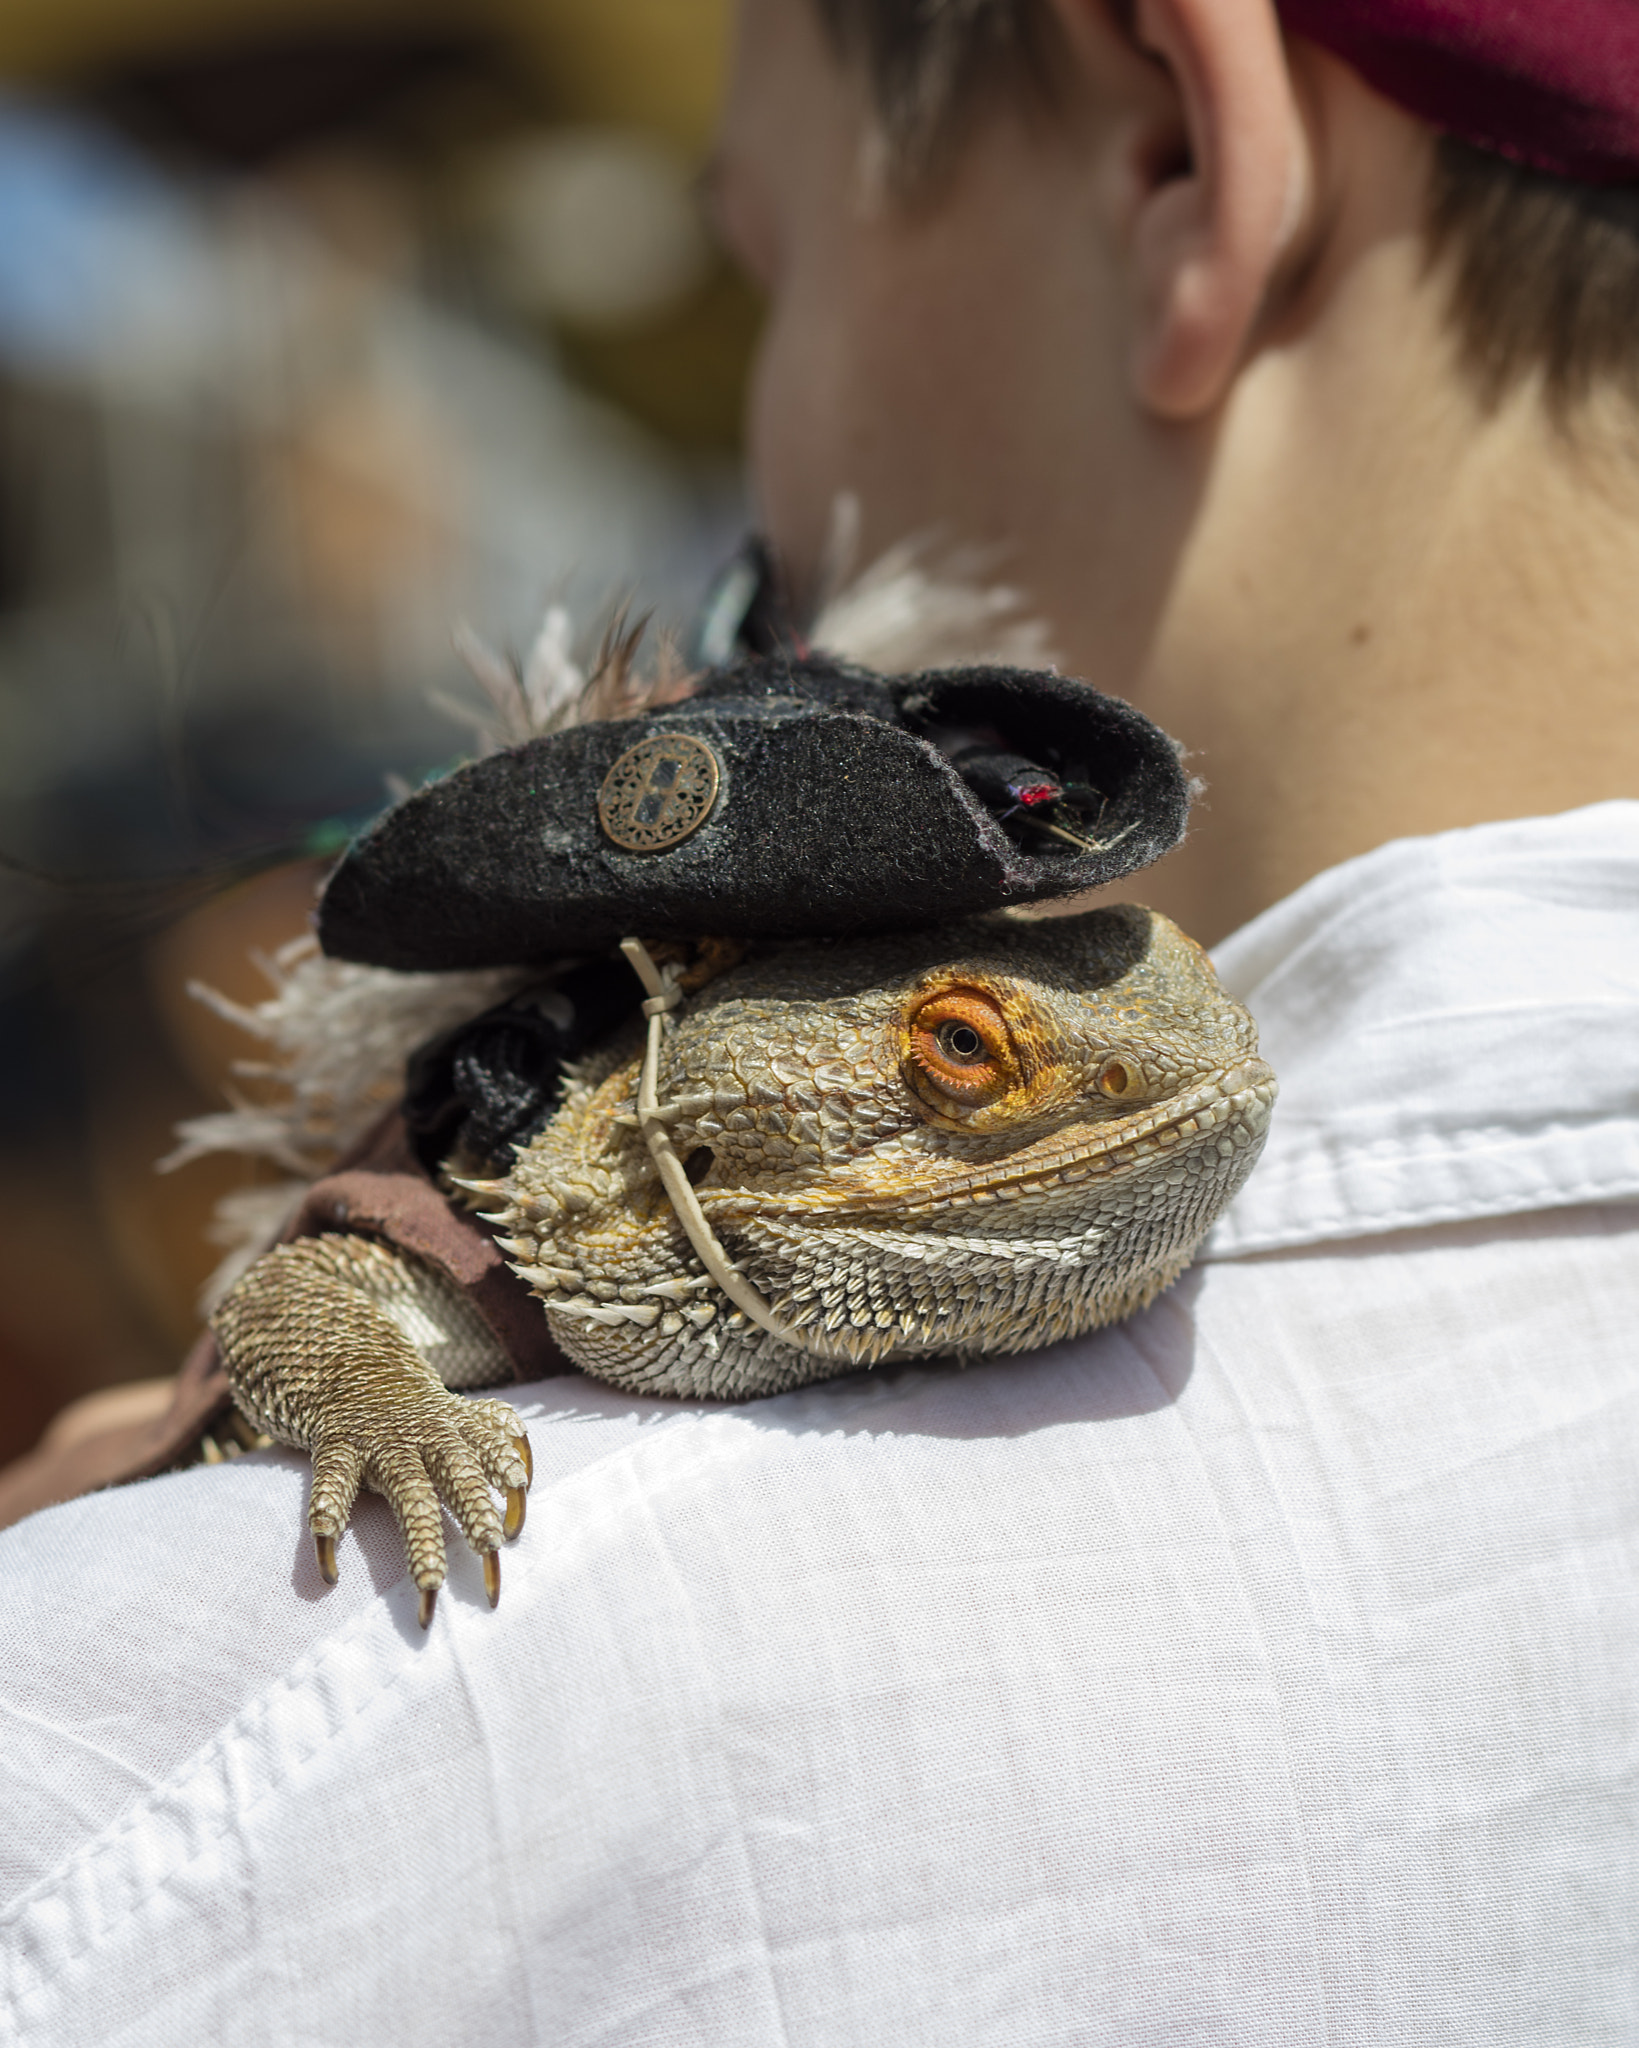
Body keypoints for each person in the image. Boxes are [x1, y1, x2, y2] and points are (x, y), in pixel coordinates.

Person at [2, 1, 1636, 2040]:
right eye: (971, 1047)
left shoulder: (185, 1764)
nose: (765, 494)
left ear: (1180, 163)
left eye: (766, 256)